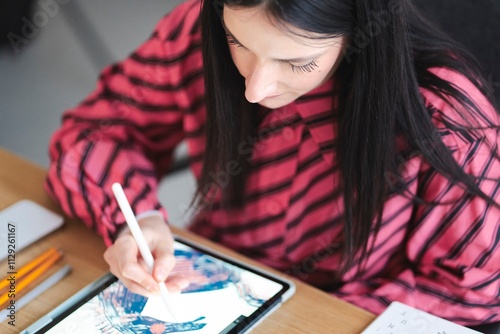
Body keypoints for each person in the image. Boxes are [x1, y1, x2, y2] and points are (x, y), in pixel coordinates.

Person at [45, 0, 500, 327]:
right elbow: (95, 133)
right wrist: (136, 222)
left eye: (297, 63)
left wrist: (308, 317)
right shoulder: (195, 24)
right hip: (208, 279)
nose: (255, 90)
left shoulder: (447, 122)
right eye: (236, 41)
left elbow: (476, 287)